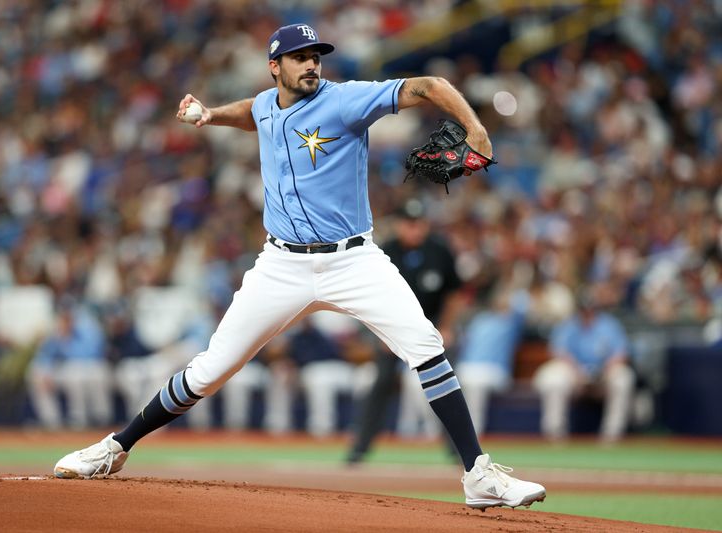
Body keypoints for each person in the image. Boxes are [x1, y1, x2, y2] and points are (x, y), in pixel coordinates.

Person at [53, 23, 545, 510]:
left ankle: (478, 474)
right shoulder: (268, 103)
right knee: (208, 371)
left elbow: (430, 86)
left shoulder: (346, 99)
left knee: (425, 344)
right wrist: (209, 115)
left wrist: (476, 127)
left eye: (316, 55)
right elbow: (252, 112)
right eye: (300, 56)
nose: (312, 63)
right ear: (276, 67)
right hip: (281, 265)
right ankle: (115, 448)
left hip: (353, 260)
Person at [347, 198, 462, 463]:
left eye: (419, 223)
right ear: (399, 225)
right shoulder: (384, 252)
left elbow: (454, 294)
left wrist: (446, 327)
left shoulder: (439, 250)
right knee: (381, 384)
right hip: (392, 326)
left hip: (430, 326)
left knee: (444, 383)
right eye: (409, 224)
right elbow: (369, 297)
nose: (414, 229)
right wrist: (381, 332)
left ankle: (459, 450)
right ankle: (360, 448)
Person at [532, 288, 635, 442]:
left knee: (623, 378)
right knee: (553, 379)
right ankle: (554, 433)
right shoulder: (569, 325)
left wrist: (605, 369)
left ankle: (612, 435)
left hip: (603, 374)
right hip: (575, 375)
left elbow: (621, 354)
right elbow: (559, 352)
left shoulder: (608, 324)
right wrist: (577, 372)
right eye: (584, 308)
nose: (587, 312)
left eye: (590, 308)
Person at [26, 298, 112, 429]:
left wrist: (66, 341)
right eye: (62, 314)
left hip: (89, 368)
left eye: (68, 314)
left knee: (76, 375)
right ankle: (51, 423)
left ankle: (82, 420)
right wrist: (46, 372)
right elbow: (44, 356)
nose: (65, 318)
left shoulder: (88, 326)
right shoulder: (56, 329)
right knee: (37, 374)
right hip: (64, 370)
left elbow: (91, 355)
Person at [454, 286, 528, 436]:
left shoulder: (512, 322)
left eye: (506, 299)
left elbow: (523, 307)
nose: (502, 301)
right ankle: (432, 432)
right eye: (500, 298)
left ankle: (473, 435)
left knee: (476, 382)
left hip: (495, 371)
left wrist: (513, 291)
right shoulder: (481, 319)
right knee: (436, 383)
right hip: (467, 367)